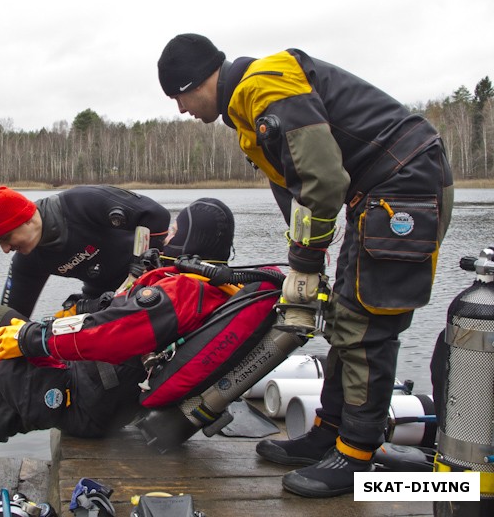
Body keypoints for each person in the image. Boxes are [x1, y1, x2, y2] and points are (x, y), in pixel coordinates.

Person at [157, 33, 454, 498]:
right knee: (343, 317)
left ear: (198, 81)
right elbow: (297, 190)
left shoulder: (265, 88)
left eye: (179, 95)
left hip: (404, 187)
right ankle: (330, 433)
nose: (180, 109)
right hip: (379, 193)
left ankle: (356, 455)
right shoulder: (248, 108)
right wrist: (305, 262)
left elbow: (324, 179)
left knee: (366, 322)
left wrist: (306, 261)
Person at [0, 199, 276, 494]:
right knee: (10, 405)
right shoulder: (216, 287)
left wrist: (33, 338)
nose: (166, 235)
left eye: (174, 231)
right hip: (107, 391)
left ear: (188, 236)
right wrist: (76, 311)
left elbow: (116, 330)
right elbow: (116, 314)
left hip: (94, 402)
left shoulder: (182, 290)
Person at [0, 185, 171, 317]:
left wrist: (138, 270)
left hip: (150, 282)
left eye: (5, 238)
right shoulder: (28, 261)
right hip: (102, 300)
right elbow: (12, 319)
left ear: (26, 218)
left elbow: (155, 215)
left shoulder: (81, 203)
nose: (5, 249)